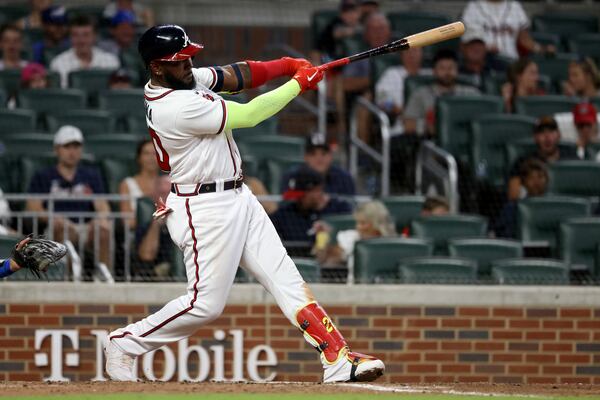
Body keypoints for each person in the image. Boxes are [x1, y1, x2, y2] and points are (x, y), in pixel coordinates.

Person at [104, 24, 384, 384]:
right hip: (203, 209)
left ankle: (337, 358)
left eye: (190, 57)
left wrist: (286, 65)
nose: (189, 66)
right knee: (205, 305)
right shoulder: (174, 106)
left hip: (237, 195)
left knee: (285, 277)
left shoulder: (182, 79)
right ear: (157, 67)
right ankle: (125, 343)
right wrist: (299, 84)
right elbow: (250, 115)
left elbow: (238, 75)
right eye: (180, 61)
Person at [26, 125, 113, 276]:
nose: (72, 152)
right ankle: (68, 279)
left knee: (103, 230)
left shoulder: (91, 175)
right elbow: (33, 207)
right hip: (57, 227)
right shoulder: (44, 175)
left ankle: (104, 280)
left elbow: (102, 206)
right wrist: (54, 218)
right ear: (57, 149)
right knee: (60, 229)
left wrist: (100, 219)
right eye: (67, 147)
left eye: (76, 146)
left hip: (85, 226)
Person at [403, 49, 480, 136]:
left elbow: (483, 120)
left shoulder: (471, 94)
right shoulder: (421, 94)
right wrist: (430, 127)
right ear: (434, 71)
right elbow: (408, 125)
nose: (447, 72)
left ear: (457, 70)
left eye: (451, 68)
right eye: (442, 68)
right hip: (431, 142)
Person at [272, 165, 352, 247]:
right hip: (294, 257)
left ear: (318, 190)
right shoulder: (286, 213)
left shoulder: (339, 209)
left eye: (302, 196)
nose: (297, 200)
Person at [507, 116, 578, 200]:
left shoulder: (572, 159)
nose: (547, 137)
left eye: (551, 131)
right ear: (535, 137)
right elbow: (513, 196)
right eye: (542, 132)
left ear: (559, 134)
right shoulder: (523, 162)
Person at [315, 200, 395, 270]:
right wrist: (321, 237)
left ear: (376, 224)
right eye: (358, 222)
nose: (358, 227)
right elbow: (324, 262)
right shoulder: (351, 238)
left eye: (363, 223)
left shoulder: (394, 244)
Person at [461, 0, 550, 60]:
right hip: (485, 61)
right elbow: (465, 43)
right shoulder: (473, 7)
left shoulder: (514, 6)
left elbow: (524, 40)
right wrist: (485, 48)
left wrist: (543, 49)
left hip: (512, 60)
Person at [50, 15, 120, 88]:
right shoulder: (58, 63)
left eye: (86, 35)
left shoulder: (111, 61)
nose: (81, 40)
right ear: (70, 38)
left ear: (94, 37)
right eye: (75, 35)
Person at [375, 47, 431, 131]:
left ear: (422, 54)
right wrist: (396, 109)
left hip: (428, 123)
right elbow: (381, 101)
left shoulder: (430, 74)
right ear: (401, 55)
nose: (411, 55)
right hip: (401, 125)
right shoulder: (392, 74)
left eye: (415, 51)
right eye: (407, 52)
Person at [280, 136, 355, 196]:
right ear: (305, 157)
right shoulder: (292, 176)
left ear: (331, 156)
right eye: (313, 154)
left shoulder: (343, 177)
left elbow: (350, 208)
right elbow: (287, 206)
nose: (319, 159)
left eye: (324, 153)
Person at [494, 158, 548, 238]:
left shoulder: (555, 207)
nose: (536, 182)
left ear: (547, 180)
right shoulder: (512, 208)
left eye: (540, 177)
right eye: (531, 178)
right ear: (524, 182)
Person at [135, 175, 174, 280]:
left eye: (170, 194)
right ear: (154, 197)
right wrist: (156, 223)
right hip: (153, 278)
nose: (166, 199)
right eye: (162, 194)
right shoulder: (146, 224)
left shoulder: (190, 220)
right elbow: (147, 255)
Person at [119, 139, 160, 230]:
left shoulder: (168, 183)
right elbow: (127, 222)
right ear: (139, 158)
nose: (151, 158)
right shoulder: (127, 184)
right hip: (138, 234)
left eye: (155, 153)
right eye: (146, 153)